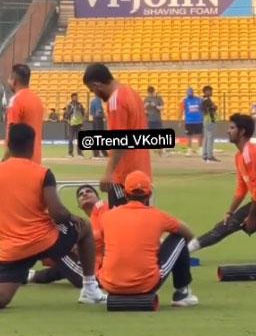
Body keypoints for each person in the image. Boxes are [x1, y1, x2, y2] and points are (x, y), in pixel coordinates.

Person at [0, 123, 106, 313]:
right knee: (84, 227)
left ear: (8, 144)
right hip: (45, 240)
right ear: (32, 145)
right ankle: (90, 289)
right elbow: (58, 214)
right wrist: (71, 217)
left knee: (0, 297)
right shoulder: (42, 173)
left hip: (13, 250)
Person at [98, 170, 198, 307]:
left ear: (126, 194)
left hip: (109, 284)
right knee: (179, 239)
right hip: (145, 284)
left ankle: (94, 285)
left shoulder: (107, 216)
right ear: (149, 194)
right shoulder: (158, 216)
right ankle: (182, 293)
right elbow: (188, 234)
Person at [82, 63, 151, 207]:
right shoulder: (132, 93)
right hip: (142, 174)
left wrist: (108, 173)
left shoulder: (115, 101)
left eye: (92, 89)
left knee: (119, 226)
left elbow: (119, 141)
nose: (95, 94)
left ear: (97, 85)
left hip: (124, 178)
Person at [188, 114, 256, 253]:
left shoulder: (251, 153)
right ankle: (187, 249)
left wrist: (252, 217)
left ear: (242, 131)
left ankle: (185, 250)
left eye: (232, 128)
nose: (228, 131)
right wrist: (230, 212)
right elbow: (241, 189)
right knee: (226, 225)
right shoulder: (239, 156)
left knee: (226, 227)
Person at [28, 184, 109, 286]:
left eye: (89, 191)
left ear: (98, 198)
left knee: (58, 248)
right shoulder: (88, 224)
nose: (84, 194)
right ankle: (30, 275)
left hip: (104, 272)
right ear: (79, 205)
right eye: (81, 194)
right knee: (64, 257)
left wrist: (73, 245)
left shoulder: (102, 207)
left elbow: (106, 237)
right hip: (101, 268)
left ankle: (27, 271)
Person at [4, 64, 44, 163]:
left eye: (9, 78)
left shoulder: (15, 100)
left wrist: (5, 159)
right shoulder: (37, 100)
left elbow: (12, 133)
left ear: (14, 82)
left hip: (19, 160)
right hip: (36, 159)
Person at [144, 86, 166, 157]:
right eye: (149, 93)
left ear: (153, 91)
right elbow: (142, 108)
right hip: (149, 120)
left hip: (157, 119)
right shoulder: (146, 99)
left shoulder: (158, 98)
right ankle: (149, 153)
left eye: (151, 93)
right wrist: (145, 107)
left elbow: (162, 108)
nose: (150, 94)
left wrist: (155, 106)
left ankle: (161, 152)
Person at [182, 87, 203, 157]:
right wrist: (181, 120)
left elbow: (202, 109)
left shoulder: (199, 100)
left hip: (198, 121)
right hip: (189, 121)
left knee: (199, 135)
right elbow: (183, 110)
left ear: (193, 93)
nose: (189, 94)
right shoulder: (185, 100)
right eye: (188, 93)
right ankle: (189, 151)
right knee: (189, 136)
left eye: (190, 93)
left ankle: (200, 149)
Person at [201, 85, 219, 162]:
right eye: (210, 91)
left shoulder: (205, 99)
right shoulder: (206, 100)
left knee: (206, 137)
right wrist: (214, 107)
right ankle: (209, 155)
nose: (211, 92)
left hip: (207, 120)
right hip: (209, 120)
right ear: (206, 92)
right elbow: (207, 110)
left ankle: (205, 155)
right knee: (210, 138)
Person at [65, 93, 86, 158]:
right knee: (70, 139)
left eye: (76, 97)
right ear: (72, 98)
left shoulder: (80, 105)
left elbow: (83, 113)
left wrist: (82, 122)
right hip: (71, 124)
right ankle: (70, 153)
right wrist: (71, 110)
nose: (76, 98)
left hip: (79, 124)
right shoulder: (69, 105)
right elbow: (67, 115)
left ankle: (79, 153)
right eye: (74, 97)